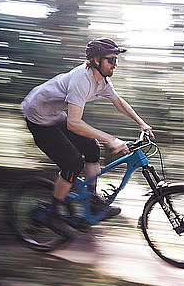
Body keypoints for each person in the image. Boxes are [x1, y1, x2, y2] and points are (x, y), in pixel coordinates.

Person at [21, 37, 154, 236]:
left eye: (116, 60)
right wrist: (111, 139)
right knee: (73, 163)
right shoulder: (81, 80)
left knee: (92, 147)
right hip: (38, 117)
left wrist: (141, 123)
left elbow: (118, 102)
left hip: (55, 115)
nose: (115, 65)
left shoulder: (102, 81)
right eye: (111, 60)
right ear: (96, 60)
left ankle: (91, 200)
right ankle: (52, 211)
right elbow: (74, 123)